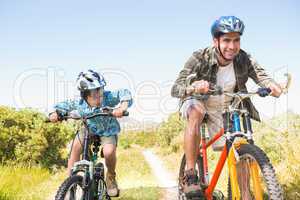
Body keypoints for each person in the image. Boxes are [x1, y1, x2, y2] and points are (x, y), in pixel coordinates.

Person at [171, 16, 282, 197]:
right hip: (198, 101)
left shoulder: (243, 58)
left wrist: (272, 84)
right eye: (226, 40)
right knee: (196, 111)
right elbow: (176, 88)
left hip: (226, 107)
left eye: (236, 40)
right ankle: (190, 174)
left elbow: (261, 75)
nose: (232, 46)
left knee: (241, 146)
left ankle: (245, 194)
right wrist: (194, 86)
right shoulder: (199, 57)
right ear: (216, 41)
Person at [49, 69, 133, 197]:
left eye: (100, 91)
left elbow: (124, 93)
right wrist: (55, 114)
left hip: (107, 130)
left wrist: (122, 107)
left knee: (109, 151)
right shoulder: (79, 103)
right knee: (75, 148)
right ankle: (70, 183)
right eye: (95, 94)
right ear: (85, 95)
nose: (99, 96)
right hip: (89, 129)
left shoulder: (107, 97)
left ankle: (110, 176)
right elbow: (62, 106)